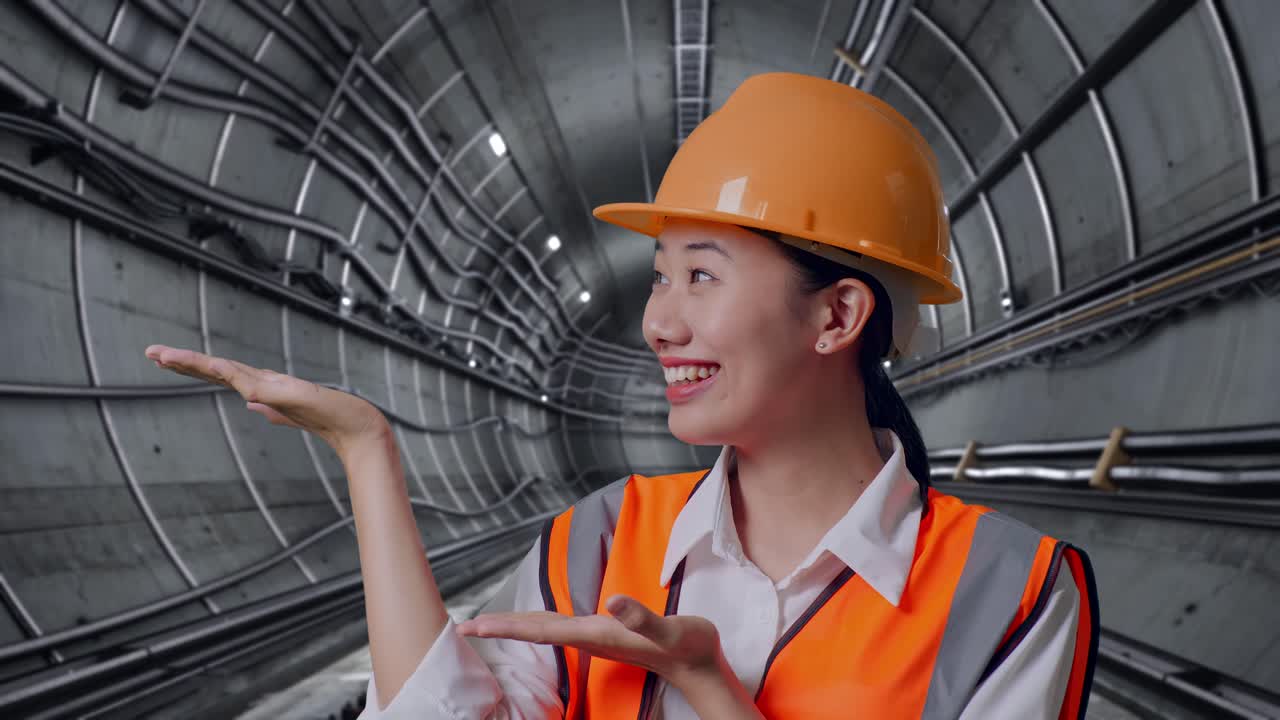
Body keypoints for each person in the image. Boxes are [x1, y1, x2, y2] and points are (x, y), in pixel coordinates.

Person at [146, 72, 1098, 719]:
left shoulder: (1008, 592)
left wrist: (705, 686)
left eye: (702, 276)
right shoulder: (598, 540)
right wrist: (369, 457)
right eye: (658, 276)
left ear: (838, 314)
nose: (659, 323)